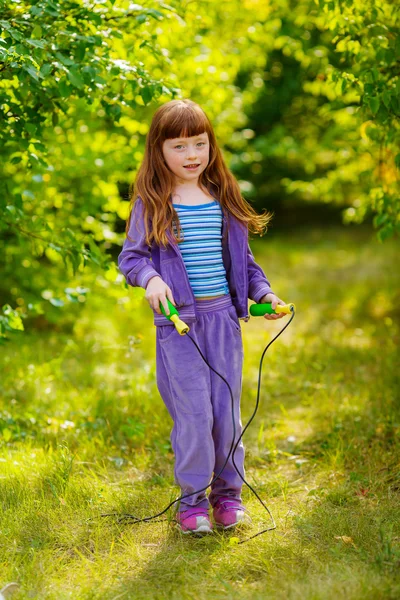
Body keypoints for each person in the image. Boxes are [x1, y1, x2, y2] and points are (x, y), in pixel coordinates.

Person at [118, 99, 286, 535]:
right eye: (179, 146)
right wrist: (152, 280)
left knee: (225, 415)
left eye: (199, 143)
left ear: (211, 145)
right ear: (159, 151)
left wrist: (264, 294)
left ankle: (228, 497)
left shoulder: (223, 200)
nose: (192, 155)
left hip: (225, 322)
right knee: (194, 416)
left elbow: (244, 264)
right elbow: (133, 258)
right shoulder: (152, 203)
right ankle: (191, 504)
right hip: (182, 327)